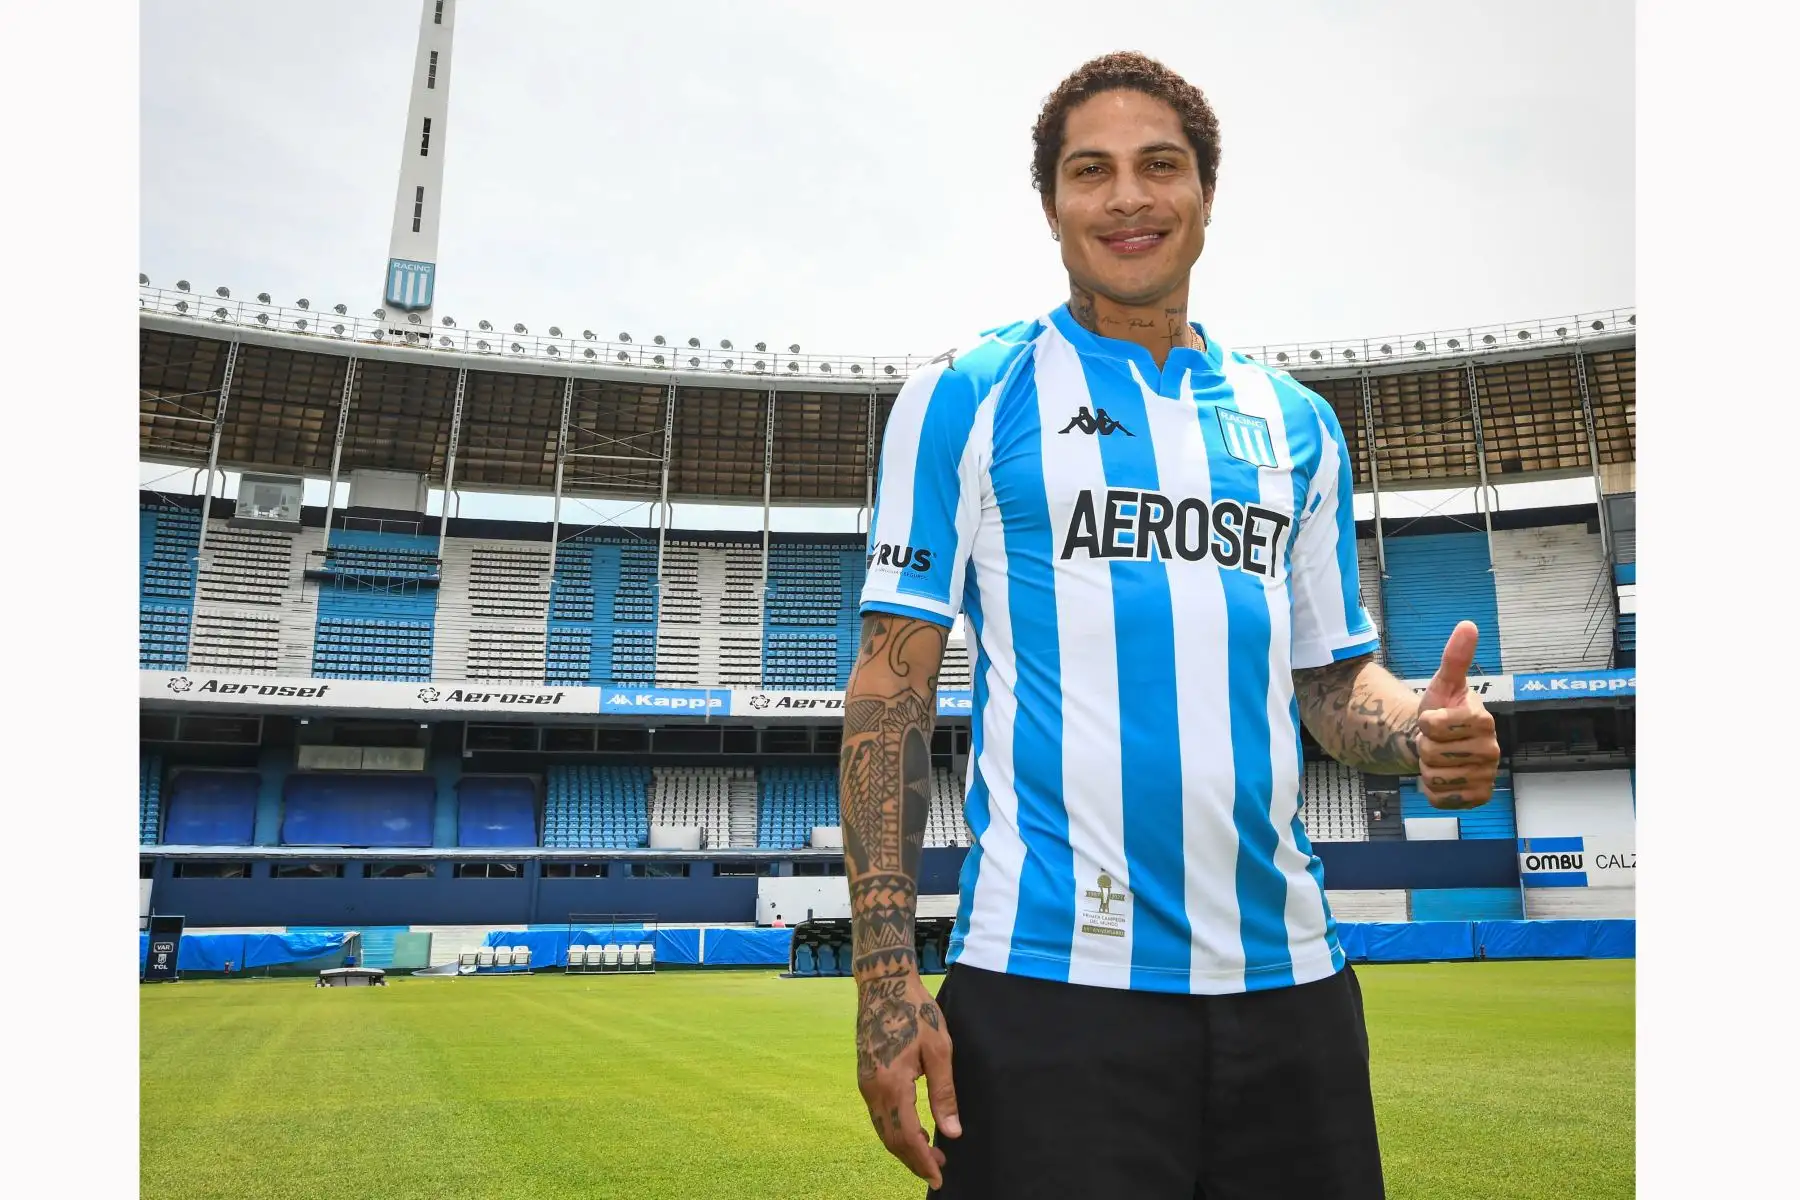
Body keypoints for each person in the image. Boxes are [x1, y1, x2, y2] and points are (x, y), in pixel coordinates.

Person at [837, 51, 1502, 1199]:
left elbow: (1332, 681)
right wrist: (886, 979)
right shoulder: (969, 394)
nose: (1128, 198)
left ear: (1204, 193)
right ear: (1051, 205)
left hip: (1291, 990)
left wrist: (1420, 731)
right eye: (1091, 172)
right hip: (1047, 993)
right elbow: (892, 689)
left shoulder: (1294, 423)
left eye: (1161, 167)